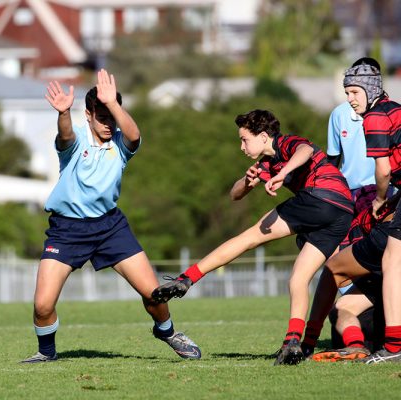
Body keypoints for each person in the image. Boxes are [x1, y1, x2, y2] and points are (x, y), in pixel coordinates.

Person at [21, 69, 201, 363]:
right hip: (67, 230)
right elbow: (64, 136)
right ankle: (47, 353)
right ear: (88, 115)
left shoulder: (120, 143)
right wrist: (64, 112)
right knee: (42, 306)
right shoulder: (77, 139)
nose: (108, 123)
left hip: (109, 227)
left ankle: (167, 332)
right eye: (101, 116)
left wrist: (114, 106)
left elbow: (134, 134)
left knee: (155, 293)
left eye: (112, 117)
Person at [151, 109, 354, 365]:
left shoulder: (286, 143)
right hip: (343, 211)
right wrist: (247, 182)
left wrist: (282, 174)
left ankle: (186, 279)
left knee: (249, 238)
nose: (241, 146)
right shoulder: (266, 164)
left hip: (320, 197)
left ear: (264, 136)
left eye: (245, 139)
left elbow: (306, 151)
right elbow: (235, 195)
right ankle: (295, 343)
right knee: (299, 278)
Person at [321, 57, 401, 364]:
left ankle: (393, 347)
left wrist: (380, 200)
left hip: (383, 201)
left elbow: (382, 170)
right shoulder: (394, 109)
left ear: (370, 89)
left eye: (354, 92)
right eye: (347, 93)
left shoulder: (375, 117)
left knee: (390, 262)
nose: (350, 100)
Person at [307, 188, 399, 362]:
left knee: (333, 273)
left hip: (388, 258)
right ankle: (356, 345)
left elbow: (344, 274)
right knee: (344, 305)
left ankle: (316, 340)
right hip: (384, 278)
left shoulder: (359, 221)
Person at [327, 100, 375, 195]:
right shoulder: (339, 113)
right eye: (347, 93)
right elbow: (333, 158)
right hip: (349, 189)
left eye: (355, 92)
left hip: (386, 187)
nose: (350, 98)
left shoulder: (390, 112)